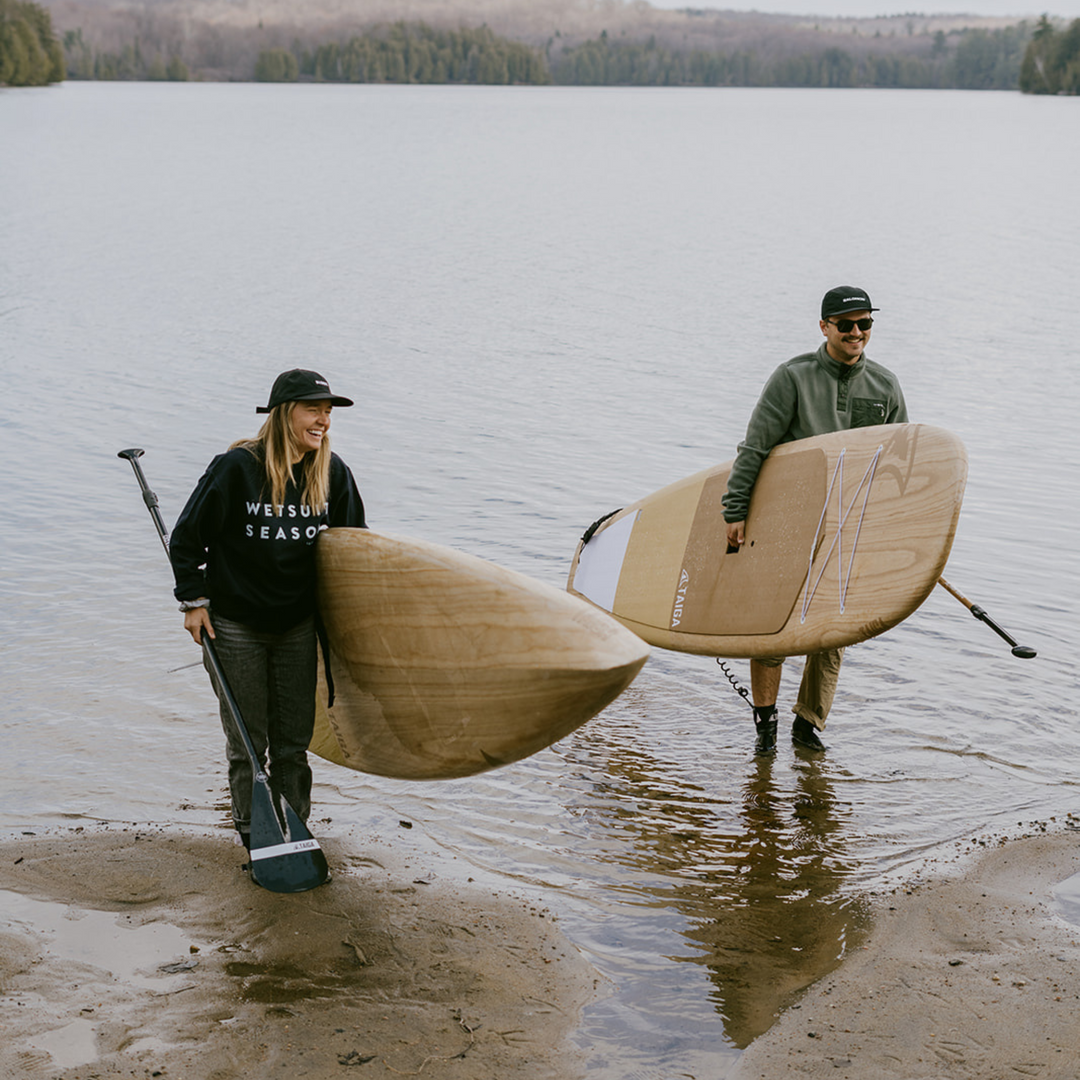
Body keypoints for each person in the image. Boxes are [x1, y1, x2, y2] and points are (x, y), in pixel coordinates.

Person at [170, 369, 366, 852]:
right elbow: (187, 539)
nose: (322, 420)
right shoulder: (237, 467)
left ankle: (294, 830)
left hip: (297, 628)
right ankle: (252, 832)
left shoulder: (332, 472)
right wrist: (193, 602)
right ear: (284, 415)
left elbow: (355, 550)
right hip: (234, 626)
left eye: (327, 412)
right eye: (312, 409)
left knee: (293, 744)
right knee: (247, 741)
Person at [722, 287, 908, 755]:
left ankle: (808, 725)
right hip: (787, 520)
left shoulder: (885, 386)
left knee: (833, 631)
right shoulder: (793, 378)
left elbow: (899, 462)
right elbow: (755, 446)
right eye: (846, 324)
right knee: (774, 623)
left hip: (848, 526)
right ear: (824, 327)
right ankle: (765, 723)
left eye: (865, 324)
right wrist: (735, 510)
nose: (857, 333)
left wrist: (893, 526)